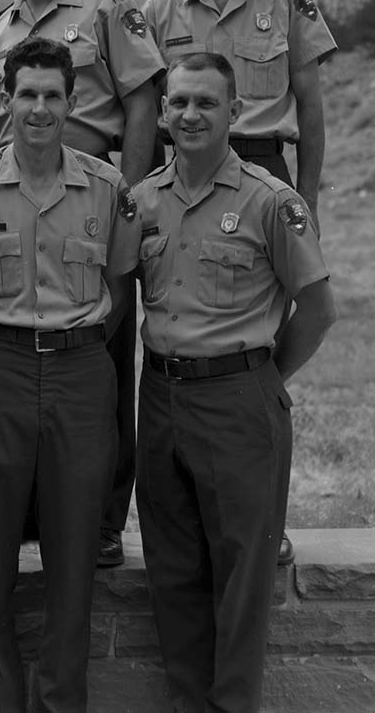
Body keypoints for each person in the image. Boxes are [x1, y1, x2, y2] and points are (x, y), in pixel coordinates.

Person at [0, 38, 140, 713]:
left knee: (74, 561)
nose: (41, 108)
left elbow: (115, 288)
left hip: (82, 371)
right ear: (4, 103)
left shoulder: (107, 189)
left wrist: (70, 343)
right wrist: (2, 345)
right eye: (28, 94)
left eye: (54, 95)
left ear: (72, 103)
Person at [142, 0, 338, 565]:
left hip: (264, 170)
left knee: (257, 357)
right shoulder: (160, 11)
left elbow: (310, 103)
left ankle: (261, 513)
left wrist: (307, 197)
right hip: (186, 174)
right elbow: (149, 113)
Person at [133, 52, 336, 713]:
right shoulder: (142, 203)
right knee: (173, 575)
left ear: (234, 113)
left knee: (241, 583)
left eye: (206, 103)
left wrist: (261, 382)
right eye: (180, 103)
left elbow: (319, 308)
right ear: (163, 114)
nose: (191, 114)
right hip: (161, 399)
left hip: (238, 398)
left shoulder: (269, 200)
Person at [0, 0, 164, 567]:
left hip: (92, 200)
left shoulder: (109, 7)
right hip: (15, 212)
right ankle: (38, 513)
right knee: (25, 356)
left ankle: (104, 520)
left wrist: (134, 199)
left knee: (101, 361)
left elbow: (143, 104)